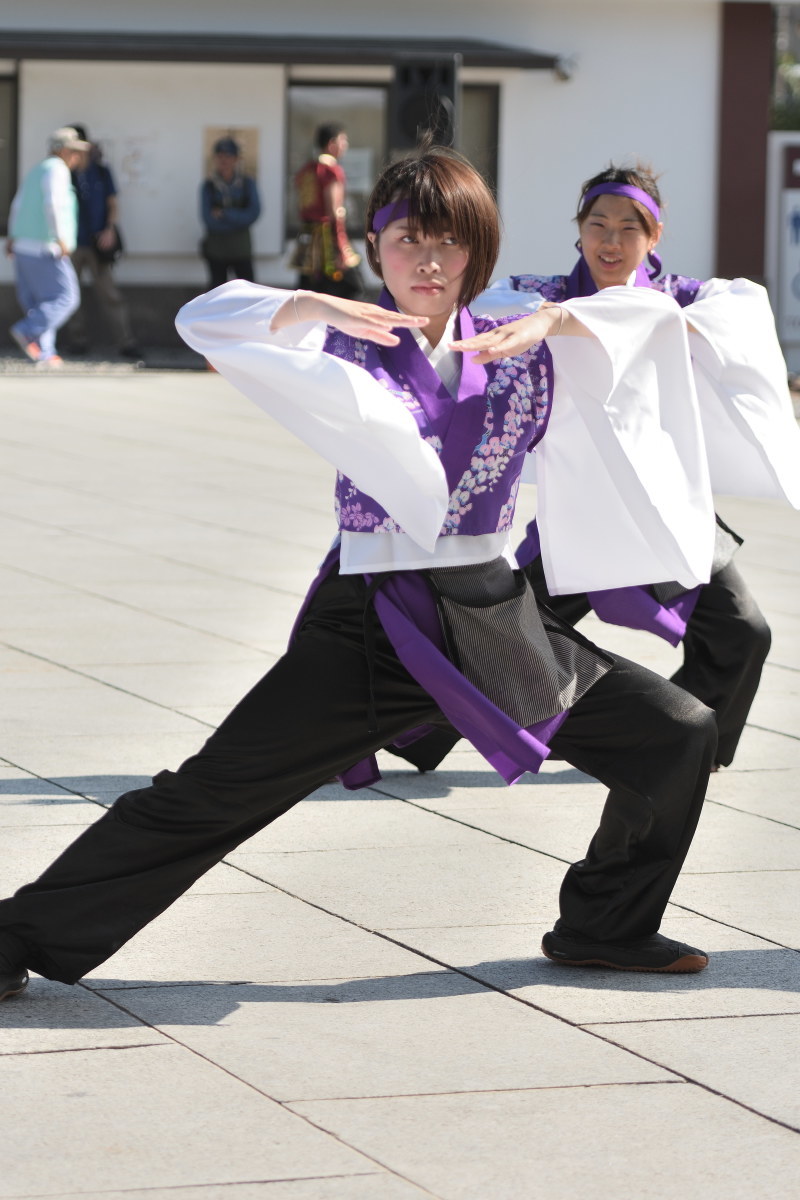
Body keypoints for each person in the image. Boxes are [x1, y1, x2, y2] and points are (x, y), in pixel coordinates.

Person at [0, 146, 720, 1006]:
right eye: (407, 240)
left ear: (477, 253)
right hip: (376, 622)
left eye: (450, 244)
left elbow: (676, 323)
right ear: (373, 245)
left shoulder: (521, 330)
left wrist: (566, 324)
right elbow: (208, 318)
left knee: (676, 732)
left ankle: (605, 923)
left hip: (493, 614)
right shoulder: (344, 335)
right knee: (212, 793)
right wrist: (304, 302)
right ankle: (14, 936)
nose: (428, 262)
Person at [395, 163, 800, 775]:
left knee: (742, 630)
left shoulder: (679, 301)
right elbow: (470, 313)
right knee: (503, 637)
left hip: (662, 507)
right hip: (580, 512)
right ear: (578, 231)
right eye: (597, 225)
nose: (610, 242)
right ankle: (416, 733)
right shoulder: (540, 297)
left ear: (654, 235)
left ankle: (690, 751)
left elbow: (742, 312)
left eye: (627, 229)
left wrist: (638, 320)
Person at [6, 126, 90, 368]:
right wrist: (60, 237)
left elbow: (17, 204)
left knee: (40, 304)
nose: (77, 157)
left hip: (23, 246)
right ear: (62, 150)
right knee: (66, 298)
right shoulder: (57, 170)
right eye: (74, 151)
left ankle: (45, 353)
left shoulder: (37, 169)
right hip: (45, 246)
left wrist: (12, 236)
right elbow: (52, 203)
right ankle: (27, 331)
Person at [63, 124, 142, 360]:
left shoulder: (100, 170)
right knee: (69, 295)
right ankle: (78, 341)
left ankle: (126, 342)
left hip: (98, 242)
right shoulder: (64, 172)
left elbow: (113, 203)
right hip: (71, 242)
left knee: (110, 294)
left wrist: (110, 230)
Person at [291, 122, 362, 298]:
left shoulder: (307, 169)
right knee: (353, 288)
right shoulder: (330, 170)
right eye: (342, 140)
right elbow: (333, 211)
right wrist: (340, 245)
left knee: (308, 291)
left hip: (307, 241)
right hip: (326, 241)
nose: (345, 145)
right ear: (332, 144)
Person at [200, 136, 261, 288]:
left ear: (236, 159)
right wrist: (238, 220)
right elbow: (208, 220)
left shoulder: (247, 183)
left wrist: (225, 214)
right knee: (217, 295)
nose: (224, 161)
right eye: (220, 156)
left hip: (241, 250)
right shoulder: (208, 186)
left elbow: (253, 213)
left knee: (248, 294)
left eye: (228, 156)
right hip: (216, 251)